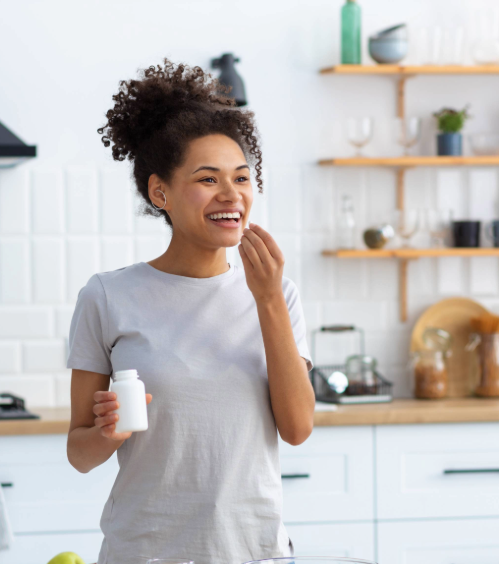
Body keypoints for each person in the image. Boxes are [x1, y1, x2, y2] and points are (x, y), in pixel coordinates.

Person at [66, 60, 315, 564]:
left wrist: (267, 299)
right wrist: (107, 434)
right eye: (208, 179)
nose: (231, 194)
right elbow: (79, 453)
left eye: (242, 178)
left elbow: (297, 428)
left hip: (253, 551)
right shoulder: (108, 296)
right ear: (160, 192)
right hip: (146, 552)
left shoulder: (277, 294)